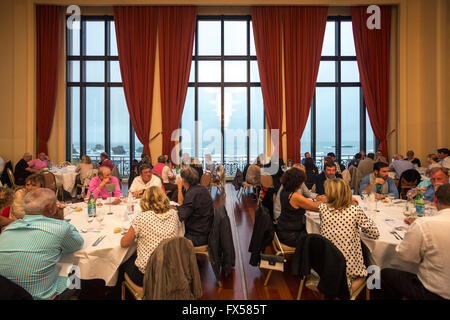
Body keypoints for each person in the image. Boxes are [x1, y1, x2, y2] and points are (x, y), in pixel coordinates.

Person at [0, 188, 84, 300]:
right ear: (50, 208)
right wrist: (60, 220)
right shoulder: (60, 227)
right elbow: (76, 245)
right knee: (76, 269)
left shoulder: (8, 229)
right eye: (56, 202)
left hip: (9, 293)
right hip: (41, 297)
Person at [378, 183, 450, 300]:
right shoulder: (424, 223)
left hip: (432, 292)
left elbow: (406, 256)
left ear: (435, 199)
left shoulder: (425, 224)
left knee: (384, 272)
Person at [319, 178, 379, 293]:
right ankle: (347, 290)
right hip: (348, 266)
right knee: (369, 267)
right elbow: (374, 233)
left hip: (327, 262)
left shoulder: (322, 208)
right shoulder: (354, 210)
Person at [120, 186, 179, 287]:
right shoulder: (173, 214)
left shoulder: (142, 218)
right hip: (170, 268)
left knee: (123, 263)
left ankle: (144, 291)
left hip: (148, 275)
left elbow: (124, 243)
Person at [276, 168, 320, 246]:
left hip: (283, 229)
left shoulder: (285, 191)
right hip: (292, 235)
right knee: (317, 242)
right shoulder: (295, 196)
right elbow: (316, 207)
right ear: (297, 182)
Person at [176, 167, 213, 247]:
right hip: (206, 231)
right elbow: (184, 207)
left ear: (183, 180)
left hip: (197, 237)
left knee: (173, 241)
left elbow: (181, 215)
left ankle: (184, 259)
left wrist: (179, 189)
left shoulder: (191, 194)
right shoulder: (202, 189)